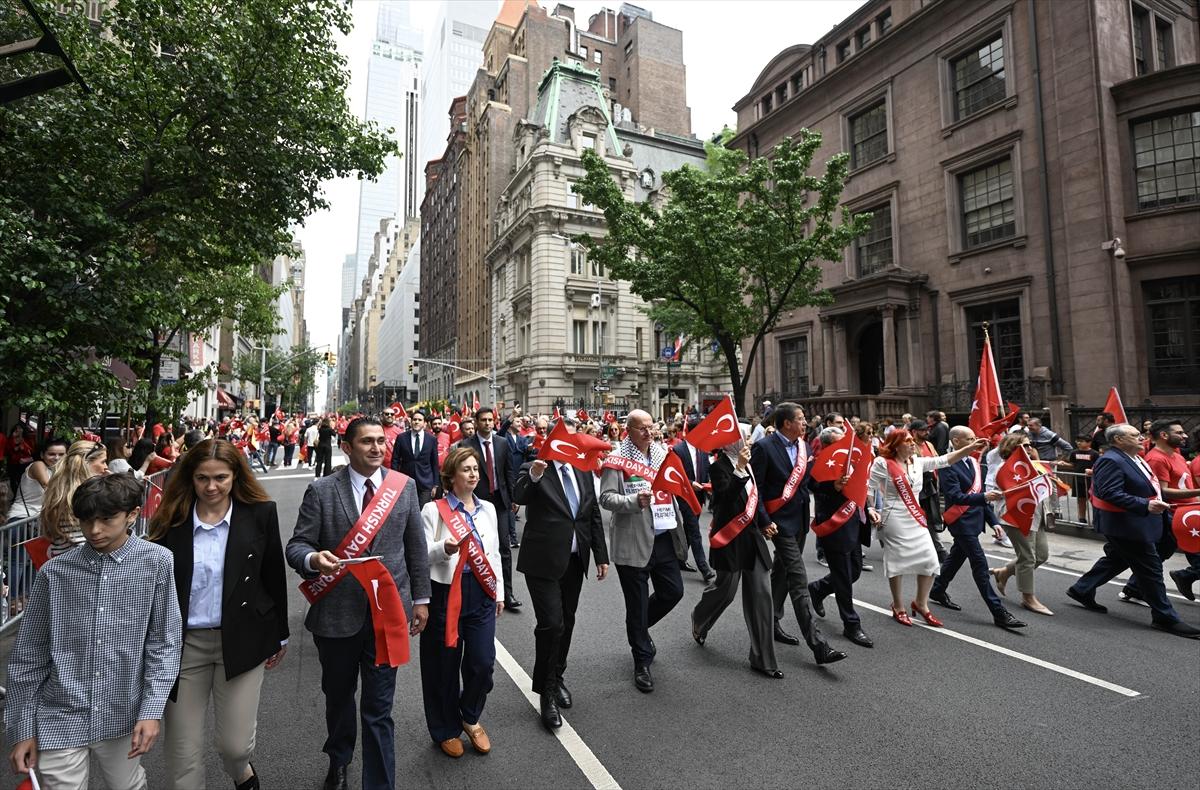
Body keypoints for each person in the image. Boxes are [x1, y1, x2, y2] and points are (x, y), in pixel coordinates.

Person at [5, 473, 182, 790]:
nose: (95, 530)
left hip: (122, 708)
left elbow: (164, 643)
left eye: (106, 519)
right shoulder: (55, 573)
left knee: (126, 785)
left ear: (131, 514)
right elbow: (29, 656)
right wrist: (22, 729)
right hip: (59, 709)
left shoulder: (157, 561)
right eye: (86, 520)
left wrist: (152, 710)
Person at [286, 417, 431, 790]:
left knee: (379, 709)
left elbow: (415, 548)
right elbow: (296, 546)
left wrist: (421, 599)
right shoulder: (322, 490)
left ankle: (380, 783)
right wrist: (314, 559)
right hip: (337, 615)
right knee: (338, 697)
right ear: (347, 448)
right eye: (366, 442)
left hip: (388, 615)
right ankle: (339, 759)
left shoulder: (405, 488)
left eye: (381, 441)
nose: (376, 448)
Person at [149, 439, 289, 790]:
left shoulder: (260, 514)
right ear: (190, 479)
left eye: (221, 478)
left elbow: (273, 576)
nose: (211, 487)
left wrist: (280, 634)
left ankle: (242, 772)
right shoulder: (171, 518)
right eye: (202, 478)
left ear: (235, 477)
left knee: (235, 746)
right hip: (183, 647)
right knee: (182, 753)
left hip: (242, 640)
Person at [513, 423, 609, 729]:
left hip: (574, 559)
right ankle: (547, 693)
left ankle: (557, 675)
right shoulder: (535, 467)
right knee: (551, 623)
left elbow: (591, 514)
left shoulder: (582, 471)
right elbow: (519, 495)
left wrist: (600, 555)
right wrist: (534, 477)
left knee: (566, 620)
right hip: (542, 561)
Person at [1066, 423, 1200, 639]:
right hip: (1126, 524)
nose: (1141, 437)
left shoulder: (1136, 457)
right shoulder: (1111, 460)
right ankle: (1165, 616)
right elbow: (1109, 492)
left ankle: (1082, 588)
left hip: (1148, 519)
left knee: (1121, 558)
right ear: (1118, 440)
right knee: (1150, 567)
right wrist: (1144, 505)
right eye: (1135, 435)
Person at [420, 448, 504, 757]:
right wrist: (444, 548)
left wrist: (500, 592)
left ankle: (469, 715)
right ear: (451, 476)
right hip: (446, 593)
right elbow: (420, 555)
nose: (473, 474)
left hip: (481, 590)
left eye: (475, 469)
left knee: (482, 663)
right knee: (443, 666)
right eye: (466, 469)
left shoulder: (489, 509)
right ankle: (445, 728)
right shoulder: (433, 510)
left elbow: (494, 554)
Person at [749, 403, 845, 665]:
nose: (805, 423)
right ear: (786, 423)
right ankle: (818, 645)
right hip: (778, 522)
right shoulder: (765, 447)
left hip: (800, 519)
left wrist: (832, 485)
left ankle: (772, 620)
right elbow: (753, 488)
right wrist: (763, 520)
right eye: (801, 419)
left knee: (782, 571)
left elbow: (807, 481)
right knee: (798, 577)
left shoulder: (802, 446)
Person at [600, 409, 689, 692]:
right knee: (636, 604)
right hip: (633, 539)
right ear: (629, 430)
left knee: (673, 591)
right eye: (642, 429)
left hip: (663, 537)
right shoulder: (617, 460)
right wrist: (632, 500)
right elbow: (606, 498)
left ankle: (637, 629)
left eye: (651, 427)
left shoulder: (663, 454)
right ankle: (642, 661)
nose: (649, 433)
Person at [692, 424, 784, 676]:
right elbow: (723, 499)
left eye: (745, 437)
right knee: (725, 591)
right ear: (728, 443)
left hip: (752, 538)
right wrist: (739, 468)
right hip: (729, 538)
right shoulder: (718, 466)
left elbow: (756, 498)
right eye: (741, 437)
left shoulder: (749, 464)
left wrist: (765, 522)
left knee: (761, 596)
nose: (746, 441)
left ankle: (763, 659)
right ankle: (700, 620)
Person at [926, 427, 1027, 630]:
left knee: (956, 557)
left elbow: (982, 497)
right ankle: (999, 613)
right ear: (956, 441)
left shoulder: (973, 462)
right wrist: (983, 498)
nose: (975, 442)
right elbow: (954, 496)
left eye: (975, 438)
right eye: (970, 439)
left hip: (976, 519)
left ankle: (937, 589)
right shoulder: (948, 464)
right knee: (980, 566)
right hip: (961, 522)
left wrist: (994, 523)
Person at [807, 426, 874, 649]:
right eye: (838, 443)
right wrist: (833, 487)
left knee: (853, 571)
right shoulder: (818, 463)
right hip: (834, 526)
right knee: (844, 576)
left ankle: (818, 589)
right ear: (827, 446)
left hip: (854, 523)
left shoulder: (850, 461)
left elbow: (861, 487)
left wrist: (870, 508)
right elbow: (814, 485)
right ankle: (851, 624)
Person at [1129, 420, 1200, 604]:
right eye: (1180, 432)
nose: (1185, 436)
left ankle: (1134, 587)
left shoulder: (1177, 456)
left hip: (1188, 512)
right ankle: (1184, 576)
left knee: (1161, 552)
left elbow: (1186, 483)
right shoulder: (1156, 458)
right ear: (1164, 435)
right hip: (1175, 514)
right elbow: (1162, 491)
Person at [987, 434, 1054, 616]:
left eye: (1030, 444)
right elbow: (1004, 490)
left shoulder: (1034, 464)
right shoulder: (1005, 468)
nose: (1029, 448)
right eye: (1024, 445)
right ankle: (1028, 598)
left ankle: (1005, 572)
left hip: (1036, 514)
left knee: (1041, 555)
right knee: (1028, 557)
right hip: (1015, 515)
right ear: (1013, 447)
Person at [462, 408, 521, 610]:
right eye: (483, 420)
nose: (487, 423)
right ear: (476, 422)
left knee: (503, 548)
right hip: (475, 503)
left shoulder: (502, 443)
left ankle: (507, 593)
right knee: (478, 547)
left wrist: (514, 499)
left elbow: (509, 472)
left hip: (500, 502)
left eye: (490, 420)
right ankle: (479, 590)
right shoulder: (466, 445)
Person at [40, 440, 109, 558]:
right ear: (86, 463)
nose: (106, 467)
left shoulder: (59, 489)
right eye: (103, 462)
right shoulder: (88, 493)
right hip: (83, 562)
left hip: (61, 560)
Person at [673, 419, 715, 583]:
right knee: (694, 530)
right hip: (685, 494)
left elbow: (706, 470)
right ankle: (704, 568)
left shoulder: (704, 449)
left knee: (689, 528)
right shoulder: (678, 450)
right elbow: (676, 473)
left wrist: (709, 485)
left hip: (700, 495)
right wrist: (690, 483)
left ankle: (678, 558)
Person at [909, 420, 948, 565]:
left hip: (932, 486)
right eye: (923, 430)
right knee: (921, 519)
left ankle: (932, 548)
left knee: (931, 517)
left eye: (927, 430)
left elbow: (937, 461)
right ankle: (938, 549)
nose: (927, 433)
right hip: (917, 488)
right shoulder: (910, 446)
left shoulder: (929, 445)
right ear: (914, 432)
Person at [7, 437, 68, 521]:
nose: (57, 458)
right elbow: (46, 485)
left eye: (61, 454)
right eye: (51, 454)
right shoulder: (38, 465)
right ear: (42, 455)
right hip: (21, 518)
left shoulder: (60, 472)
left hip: (40, 521)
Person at [392, 411, 439, 508]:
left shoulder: (431, 439)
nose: (416, 422)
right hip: (405, 482)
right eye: (414, 419)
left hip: (425, 483)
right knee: (407, 511)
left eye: (419, 420)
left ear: (425, 423)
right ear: (410, 421)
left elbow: (434, 462)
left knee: (423, 512)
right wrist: (395, 480)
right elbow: (395, 460)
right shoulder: (401, 438)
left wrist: (435, 485)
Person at [1063, 435, 1099, 523]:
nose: (1078, 443)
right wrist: (1064, 464)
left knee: (1093, 500)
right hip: (1078, 479)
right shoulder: (1074, 453)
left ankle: (1096, 519)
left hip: (1090, 480)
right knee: (1081, 500)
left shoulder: (1094, 454)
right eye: (1077, 441)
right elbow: (1073, 465)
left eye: (1081, 441)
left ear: (1089, 442)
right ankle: (1081, 518)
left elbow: (1098, 467)